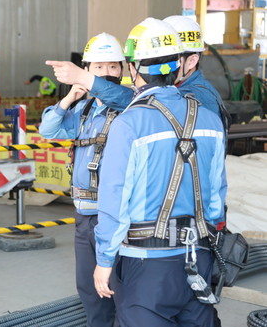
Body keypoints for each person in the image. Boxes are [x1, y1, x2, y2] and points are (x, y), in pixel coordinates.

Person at [93, 18, 227, 326]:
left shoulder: (130, 124)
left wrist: (104, 261)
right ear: (179, 64)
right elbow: (217, 197)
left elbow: (114, 198)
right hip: (199, 256)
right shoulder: (209, 120)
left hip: (146, 265)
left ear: (133, 70)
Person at [39, 32, 125, 327]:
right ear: (87, 70)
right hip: (84, 216)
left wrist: (89, 84)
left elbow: (126, 97)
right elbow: (48, 130)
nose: (107, 73)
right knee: (89, 291)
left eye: (113, 67)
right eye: (99, 68)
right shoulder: (85, 111)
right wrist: (69, 98)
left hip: (113, 217)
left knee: (117, 290)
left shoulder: (130, 106)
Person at [45, 16, 230, 132]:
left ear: (190, 61)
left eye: (169, 59)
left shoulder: (198, 96)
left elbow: (143, 103)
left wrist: (84, 78)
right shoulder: (85, 110)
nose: (159, 66)